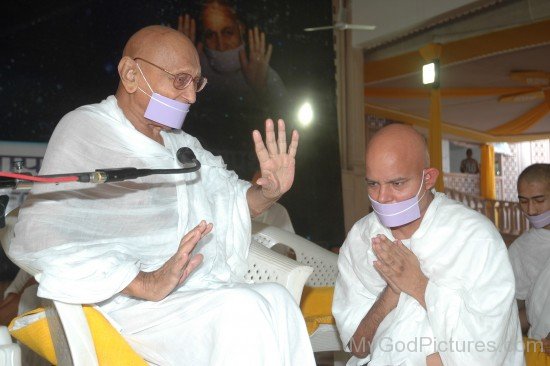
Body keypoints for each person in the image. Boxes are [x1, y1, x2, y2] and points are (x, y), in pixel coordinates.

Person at [9, 25, 315, 365]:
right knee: (243, 311)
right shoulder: (87, 130)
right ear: (130, 74)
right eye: (180, 80)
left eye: (196, 83)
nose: (191, 97)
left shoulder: (180, 144)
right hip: (125, 305)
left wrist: (268, 192)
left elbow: (231, 201)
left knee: (279, 301)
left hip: (189, 295)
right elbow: (38, 236)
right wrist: (143, 283)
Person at [332, 124, 523, 366]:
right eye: (373, 184)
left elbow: (487, 353)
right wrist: (391, 294)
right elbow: (357, 347)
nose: (382, 197)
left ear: (428, 178)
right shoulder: (362, 237)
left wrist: (420, 286)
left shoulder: (474, 238)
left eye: (397, 184)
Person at [178, 0, 285, 99]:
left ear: (241, 28)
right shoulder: (193, 66)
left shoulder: (265, 74)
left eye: (228, 32)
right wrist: (182, 72)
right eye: (210, 35)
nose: (221, 46)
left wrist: (261, 89)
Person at [508, 163, 550, 356]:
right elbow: (528, 310)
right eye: (524, 201)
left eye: (539, 200)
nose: (531, 210)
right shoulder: (521, 248)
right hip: (540, 348)